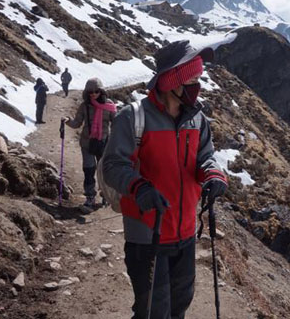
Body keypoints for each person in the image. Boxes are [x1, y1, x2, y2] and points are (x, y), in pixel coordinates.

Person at [103, 40, 228, 319]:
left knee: (179, 305)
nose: (198, 84)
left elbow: (205, 156)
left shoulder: (197, 119)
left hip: (184, 233)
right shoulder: (133, 118)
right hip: (147, 233)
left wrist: (213, 175)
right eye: (193, 78)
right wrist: (140, 187)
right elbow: (113, 165)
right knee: (152, 311)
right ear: (173, 80)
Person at [63, 78, 116, 209]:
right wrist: (67, 120)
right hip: (87, 142)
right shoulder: (84, 106)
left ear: (101, 91)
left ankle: (106, 195)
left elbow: (116, 123)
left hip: (104, 143)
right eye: (90, 92)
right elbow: (77, 123)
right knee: (89, 169)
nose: (93, 94)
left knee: (103, 170)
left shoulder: (109, 105)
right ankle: (90, 196)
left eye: (96, 91)